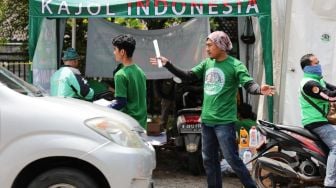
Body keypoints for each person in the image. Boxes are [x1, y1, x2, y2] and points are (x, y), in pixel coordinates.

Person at [150, 31, 275, 188]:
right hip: (206, 121)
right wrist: (168, 64)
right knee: (209, 160)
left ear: (221, 45)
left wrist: (259, 89)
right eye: (206, 46)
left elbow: (249, 84)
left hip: (224, 122)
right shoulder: (207, 63)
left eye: (210, 45)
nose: (207, 49)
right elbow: (188, 76)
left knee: (232, 159)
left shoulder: (235, 65)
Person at [299, 53, 336, 188]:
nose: (319, 65)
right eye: (316, 63)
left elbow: (332, 89)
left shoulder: (318, 80)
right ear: (308, 67)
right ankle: (330, 183)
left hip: (322, 121)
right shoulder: (309, 84)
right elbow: (330, 96)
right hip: (315, 122)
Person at [108, 34, 147, 129]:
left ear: (122, 52)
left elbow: (121, 102)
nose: (114, 52)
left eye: (115, 49)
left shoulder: (120, 75)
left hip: (128, 125)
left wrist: (103, 109)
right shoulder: (140, 71)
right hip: (141, 123)